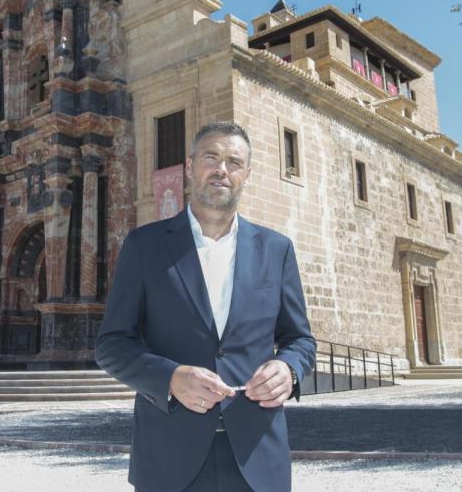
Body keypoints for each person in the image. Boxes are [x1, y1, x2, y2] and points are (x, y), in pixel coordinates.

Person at [96, 121, 316, 492]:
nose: (221, 169)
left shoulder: (277, 250)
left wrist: (288, 368)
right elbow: (112, 344)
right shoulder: (143, 246)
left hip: (258, 458)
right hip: (168, 457)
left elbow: (300, 341)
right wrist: (169, 378)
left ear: (246, 175)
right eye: (210, 157)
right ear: (189, 166)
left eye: (234, 161)